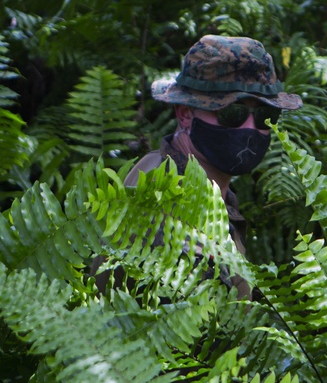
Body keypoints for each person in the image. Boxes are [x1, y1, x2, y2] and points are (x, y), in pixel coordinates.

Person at [124, 35, 302, 297]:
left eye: (266, 116)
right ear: (185, 113)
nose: (250, 128)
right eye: (232, 114)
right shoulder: (170, 204)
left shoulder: (177, 175)